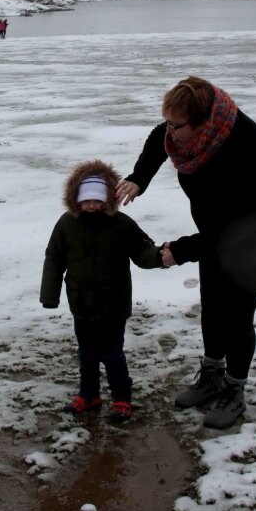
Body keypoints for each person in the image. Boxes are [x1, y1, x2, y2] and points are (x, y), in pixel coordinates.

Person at [116, 76, 256, 429]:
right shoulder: (184, 133)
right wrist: (140, 177)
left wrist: (180, 250)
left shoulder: (250, 146)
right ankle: (212, 374)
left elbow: (235, 228)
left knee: (237, 309)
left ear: (203, 122)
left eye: (177, 125)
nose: (171, 131)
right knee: (212, 297)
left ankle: (234, 390)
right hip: (216, 227)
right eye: (168, 120)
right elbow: (159, 140)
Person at [40, 159, 166, 422]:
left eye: (98, 201)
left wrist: (159, 256)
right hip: (81, 302)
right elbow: (54, 258)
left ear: (109, 199)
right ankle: (89, 395)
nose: (92, 206)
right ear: (76, 199)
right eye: (86, 201)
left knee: (112, 353)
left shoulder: (122, 224)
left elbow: (142, 251)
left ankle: (121, 398)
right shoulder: (66, 224)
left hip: (113, 303)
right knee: (86, 353)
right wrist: (50, 295)